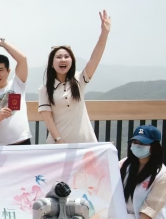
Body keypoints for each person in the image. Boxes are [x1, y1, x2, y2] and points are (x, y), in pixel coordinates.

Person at [38, 10, 111, 144]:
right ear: (52, 64)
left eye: (67, 56)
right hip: (58, 144)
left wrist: (104, 34)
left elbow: (94, 60)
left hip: (84, 142)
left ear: (72, 61)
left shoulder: (79, 79)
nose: (63, 59)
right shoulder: (44, 89)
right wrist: (58, 140)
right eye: (58, 57)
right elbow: (47, 117)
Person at [120, 125, 166, 219]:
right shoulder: (125, 164)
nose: (137, 146)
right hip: (125, 215)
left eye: (143, 143)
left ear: (153, 147)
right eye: (135, 142)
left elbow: (150, 208)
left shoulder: (162, 176)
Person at [0, 39, 32, 145]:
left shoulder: (17, 84)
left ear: (8, 71)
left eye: (0, 70)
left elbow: (23, 59)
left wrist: (2, 43)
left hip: (23, 141)